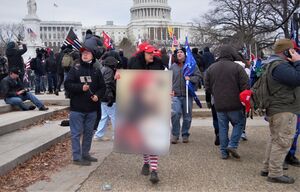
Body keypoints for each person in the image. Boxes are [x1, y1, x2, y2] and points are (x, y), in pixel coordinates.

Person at [260, 39, 300, 184]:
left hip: (278, 108)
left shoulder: (273, 64)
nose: (296, 53)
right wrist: (298, 61)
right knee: (283, 141)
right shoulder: (280, 66)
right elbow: (297, 79)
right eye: (293, 51)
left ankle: (267, 168)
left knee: (275, 139)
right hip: (284, 109)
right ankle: (275, 173)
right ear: (287, 51)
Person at [127, 43, 164, 184]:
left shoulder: (158, 63)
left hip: (154, 105)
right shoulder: (133, 64)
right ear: (142, 54)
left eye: (152, 53)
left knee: (153, 137)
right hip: (138, 105)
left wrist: (168, 91)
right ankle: (146, 162)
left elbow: (162, 82)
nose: (152, 55)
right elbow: (128, 81)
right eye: (149, 53)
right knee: (143, 138)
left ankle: (154, 169)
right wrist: (118, 77)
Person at [205, 45, 249, 160]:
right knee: (239, 123)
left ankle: (224, 152)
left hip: (219, 103)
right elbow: (245, 85)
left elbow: (207, 86)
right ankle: (232, 145)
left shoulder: (211, 68)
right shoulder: (237, 68)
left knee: (223, 128)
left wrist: (215, 93)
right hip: (235, 102)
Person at [64, 46, 106, 166]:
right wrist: (80, 88)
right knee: (76, 134)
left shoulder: (96, 71)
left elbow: (102, 87)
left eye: (87, 53)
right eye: (83, 53)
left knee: (88, 133)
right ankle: (77, 157)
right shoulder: (75, 69)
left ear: (92, 56)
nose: (85, 55)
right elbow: (67, 84)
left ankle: (85, 153)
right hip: (77, 108)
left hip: (92, 109)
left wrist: (98, 96)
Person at [170, 47, 201, 144]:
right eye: (178, 52)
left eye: (181, 52)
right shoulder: (173, 67)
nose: (179, 53)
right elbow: (168, 80)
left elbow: (198, 76)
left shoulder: (191, 66)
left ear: (185, 54)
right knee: (175, 114)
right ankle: (175, 134)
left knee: (187, 116)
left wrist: (190, 79)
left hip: (188, 94)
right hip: (175, 95)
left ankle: (185, 134)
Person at [94, 56, 118, 141]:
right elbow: (107, 84)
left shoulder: (103, 69)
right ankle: (117, 135)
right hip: (108, 97)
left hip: (103, 96)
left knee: (104, 117)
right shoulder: (109, 71)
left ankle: (98, 135)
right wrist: (110, 97)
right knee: (114, 116)